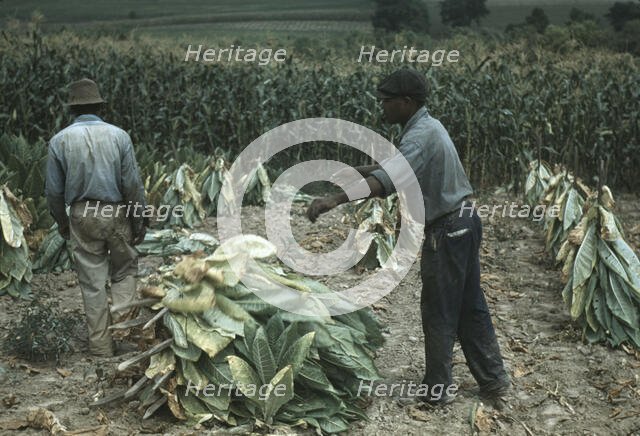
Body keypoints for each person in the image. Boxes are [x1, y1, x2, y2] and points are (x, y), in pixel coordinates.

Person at [306, 68, 511, 408]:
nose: (381, 108)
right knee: (468, 305)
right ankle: (494, 380)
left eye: (386, 102)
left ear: (406, 101)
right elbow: (395, 168)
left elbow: (388, 181)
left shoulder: (419, 136)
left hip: (448, 229)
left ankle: (438, 391)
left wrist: (333, 199)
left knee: (439, 311)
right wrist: (358, 171)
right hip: (463, 222)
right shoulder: (425, 127)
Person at [45, 78, 147, 357]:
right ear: (100, 107)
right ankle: (124, 332)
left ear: (72, 110)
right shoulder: (119, 136)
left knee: (92, 282)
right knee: (125, 269)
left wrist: (62, 223)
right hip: (115, 213)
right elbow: (132, 185)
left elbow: (53, 192)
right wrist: (139, 219)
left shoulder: (59, 140)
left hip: (81, 214)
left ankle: (101, 346)